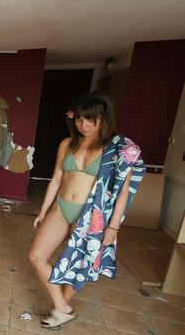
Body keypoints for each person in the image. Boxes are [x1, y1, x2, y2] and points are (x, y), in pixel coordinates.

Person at [28, 92, 145, 329]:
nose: (84, 125)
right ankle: (62, 306)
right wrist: (43, 211)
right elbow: (56, 178)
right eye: (80, 119)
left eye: (91, 119)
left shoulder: (117, 151)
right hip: (61, 207)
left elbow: (122, 191)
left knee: (79, 263)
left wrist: (113, 227)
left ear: (104, 118)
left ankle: (60, 308)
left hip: (90, 215)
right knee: (36, 256)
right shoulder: (67, 144)